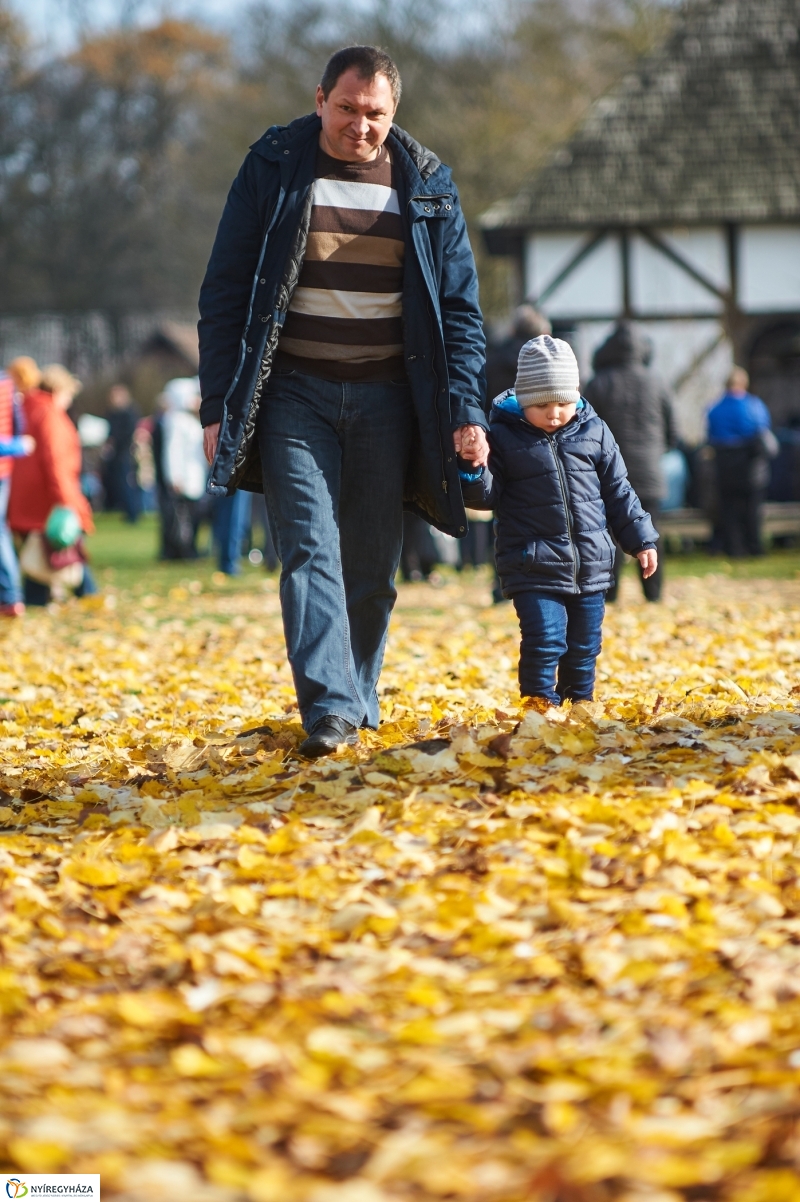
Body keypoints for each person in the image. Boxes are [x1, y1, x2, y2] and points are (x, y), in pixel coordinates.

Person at [198, 45, 487, 757]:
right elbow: (226, 291)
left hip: (391, 396)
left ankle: (358, 696)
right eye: (349, 109)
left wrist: (467, 408)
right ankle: (328, 711)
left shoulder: (426, 183)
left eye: (377, 114)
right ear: (320, 97)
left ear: (395, 113)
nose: (361, 126)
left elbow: (459, 309)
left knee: (370, 565)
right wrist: (216, 404)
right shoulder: (273, 165)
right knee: (308, 550)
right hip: (294, 393)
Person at [459, 336, 657, 706]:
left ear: (576, 396)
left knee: (584, 646)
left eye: (563, 403)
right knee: (545, 639)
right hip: (532, 563)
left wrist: (641, 540)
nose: (554, 413)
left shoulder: (594, 431)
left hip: (591, 564)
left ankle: (579, 706)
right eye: (542, 404)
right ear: (522, 400)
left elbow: (618, 491)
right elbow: (487, 497)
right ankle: (539, 707)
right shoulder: (500, 436)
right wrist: (473, 467)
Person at [583, 321, 675, 602]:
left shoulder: (598, 383)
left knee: (608, 536)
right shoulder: (657, 382)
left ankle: (609, 596)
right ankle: (654, 594)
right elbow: (673, 433)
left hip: (608, 474)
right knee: (650, 533)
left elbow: (583, 432)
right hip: (649, 472)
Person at [8, 364, 96, 605]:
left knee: (37, 556)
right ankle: (87, 594)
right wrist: (67, 501)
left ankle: (44, 599)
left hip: (25, 497)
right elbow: (55, 460)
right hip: (47, 498)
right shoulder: (49, 415)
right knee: (66, 546)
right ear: (59, 390)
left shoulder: (26, 408)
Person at [706, 366, 778, 557]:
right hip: (751, 469)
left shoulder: (714, 409)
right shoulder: (754, 406)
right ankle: (754, 547)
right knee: (753, 510)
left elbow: (710, 437)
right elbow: (763, 435)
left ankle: (734, 548)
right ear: (744, 383)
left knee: (729, 511)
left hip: (725, 469)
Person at [151, 378, 209, 560]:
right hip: (183, 479)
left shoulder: (188, 420)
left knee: (190, 518)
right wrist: (175, 477)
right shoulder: (176, 421)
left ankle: (187, 549)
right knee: (179, 518)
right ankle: (179, 551)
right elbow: (173, 452)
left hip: (193, 478)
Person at [0, 368, 36, 617]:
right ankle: (12, 597)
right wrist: (18, 445)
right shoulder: (6, 383)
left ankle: (11, 596)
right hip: (4, 469)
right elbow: (19, 425)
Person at [102, 384, 141, 522]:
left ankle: (133, 513)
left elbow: (127, 433)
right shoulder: (113, 413)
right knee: (120, 483)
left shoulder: (129, 412)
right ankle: (126, 510)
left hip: (126, 452)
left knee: (127, 482)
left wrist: (114, 441)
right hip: (116, 454)